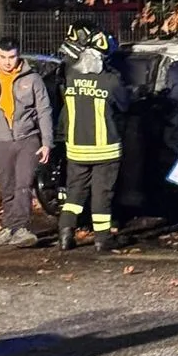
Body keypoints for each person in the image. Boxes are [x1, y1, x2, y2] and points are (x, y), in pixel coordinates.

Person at [57, 28, 129, 253]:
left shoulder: (71, 79)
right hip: (105, 150)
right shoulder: (110, 81)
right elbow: (125, 105)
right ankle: (102, 240)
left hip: (76, 149)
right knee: (102, 195)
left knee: (74, 193)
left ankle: (65, 235)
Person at [0, 38, 53, 247]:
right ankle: (9, 228)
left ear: (19, 56)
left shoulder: (33, 79)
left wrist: (46, 142)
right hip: (0, 140)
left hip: (28, 139)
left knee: (23, 184)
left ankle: (21, 228)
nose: (7, 62)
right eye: (3, 57)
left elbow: (44, 110)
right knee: (6, 186)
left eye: (12, 57)